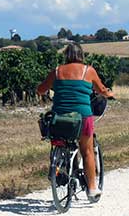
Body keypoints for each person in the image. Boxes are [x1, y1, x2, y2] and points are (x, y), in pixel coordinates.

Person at [37, 43, 115, 192]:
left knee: (58, 141)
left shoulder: (57, 71)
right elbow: (102, 90)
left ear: (66, 55)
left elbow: (41, 90)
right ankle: (92, 188)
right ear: (82, 55)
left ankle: (57, 169)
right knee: (87, 151)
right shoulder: (88, 71)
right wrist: (109, 94)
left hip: (59, 116)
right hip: (82, 117)